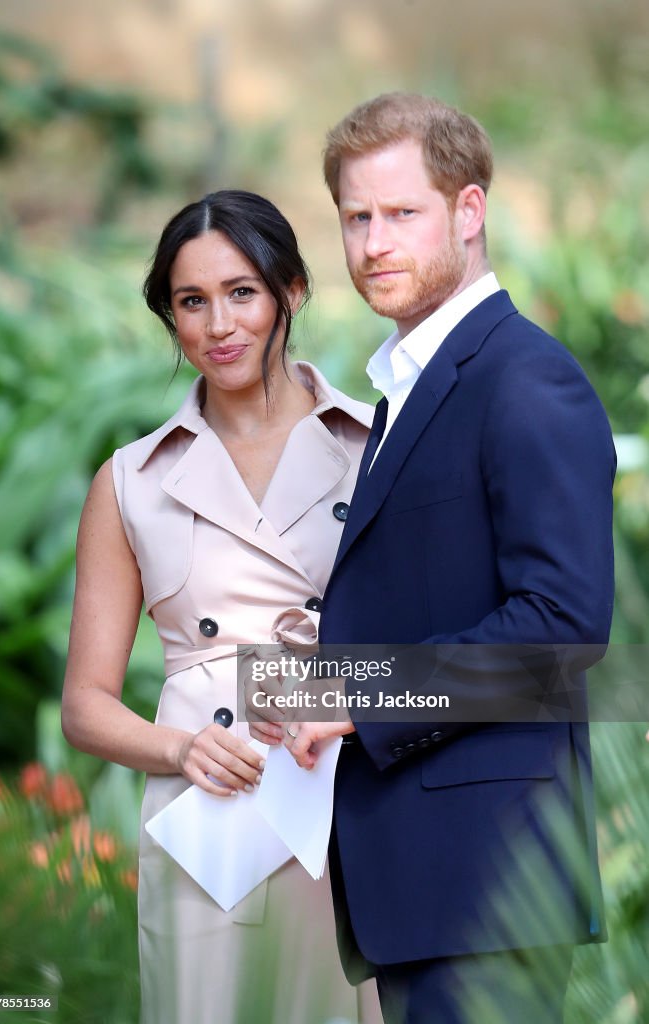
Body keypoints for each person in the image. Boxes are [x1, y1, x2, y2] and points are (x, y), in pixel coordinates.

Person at [271, 94, 616, 1023]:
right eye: (355, 217)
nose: (373, 242)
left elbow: (560, 629)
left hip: (487, 880)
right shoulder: (406, 386)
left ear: (468, 213)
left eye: (400, 214)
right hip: (424, 881)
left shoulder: (525, 378)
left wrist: (360, 695)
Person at [61, 189, 383, 1024]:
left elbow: (438, 644)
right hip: (209, 820)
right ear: (169, 317)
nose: (218, 325)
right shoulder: (132, 479)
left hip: (344, 795)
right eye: (190, 301)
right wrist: (180, 749)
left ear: (293, 291)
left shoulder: (374, 448)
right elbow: (84, 706)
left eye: (241, 292)